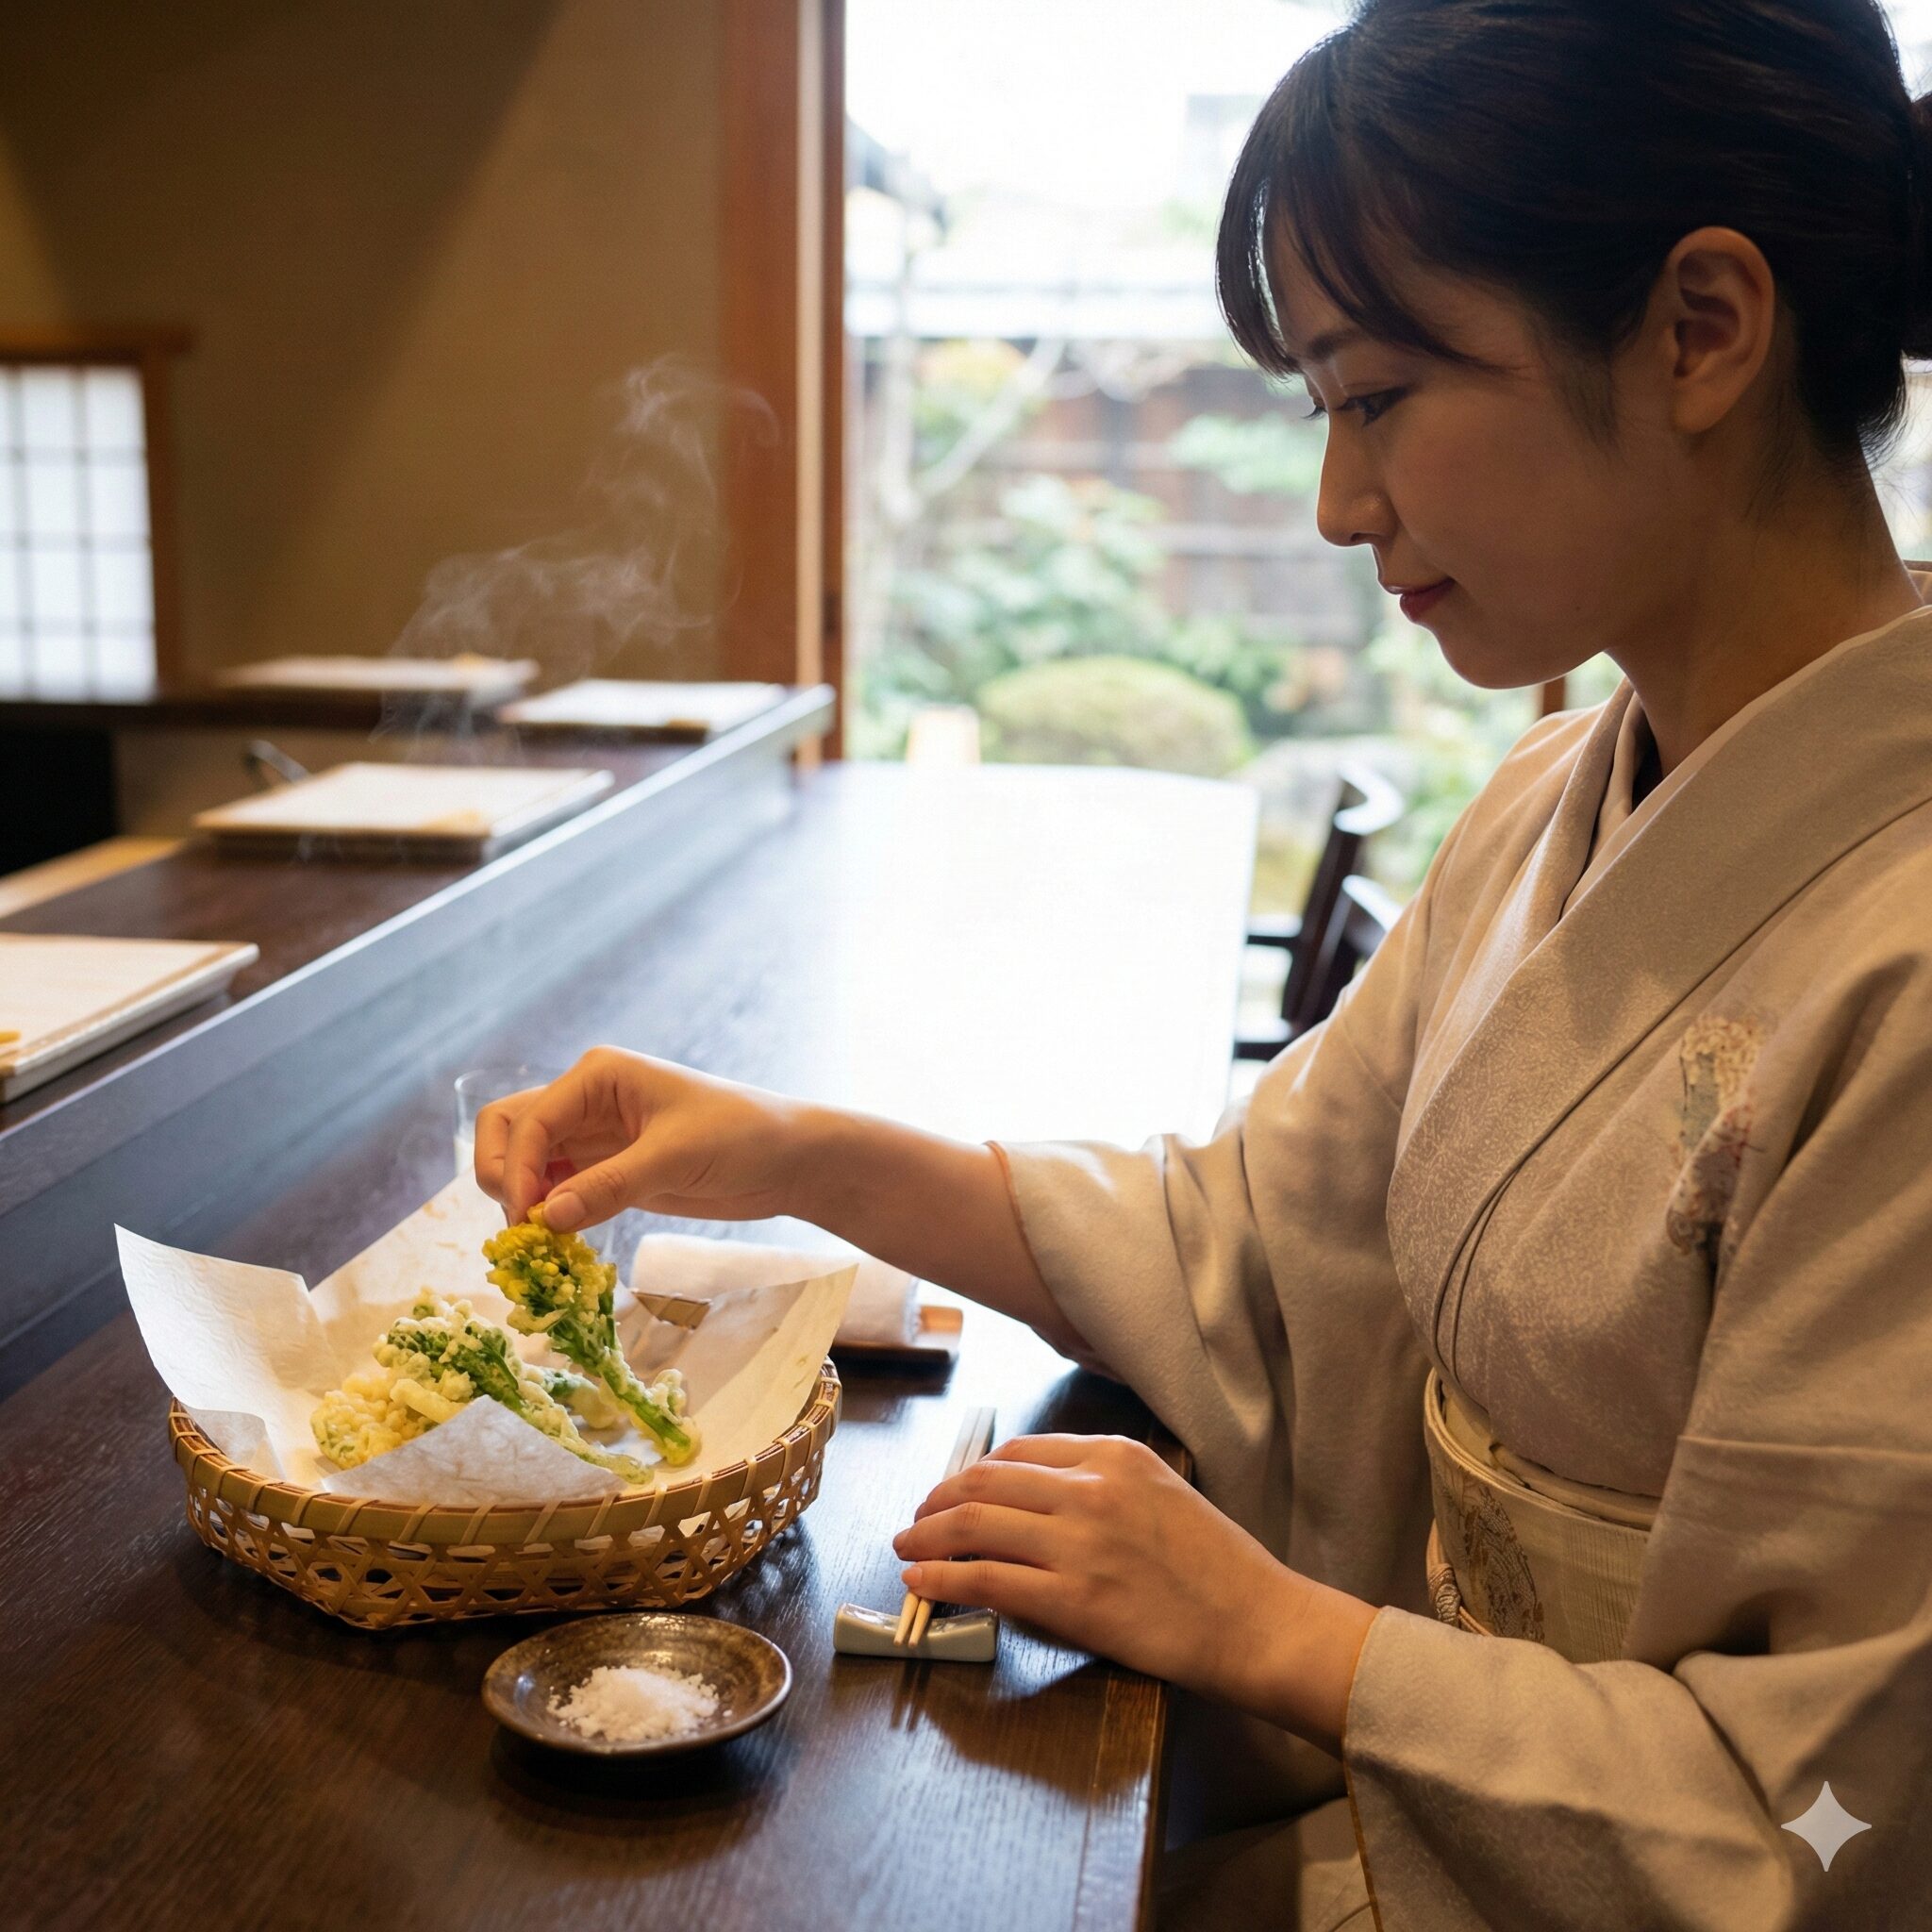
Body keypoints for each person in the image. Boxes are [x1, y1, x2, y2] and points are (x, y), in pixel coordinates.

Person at [476, 2, 1932, 1923]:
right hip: (1439, 1803)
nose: (1340, 503)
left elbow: (1841, 1827)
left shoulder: (1899, 966)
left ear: (1701, 328)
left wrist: (1282, 1633)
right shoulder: (1551, 798)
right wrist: (784, 1150)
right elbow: (1258, 1243)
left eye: (1378, 392)